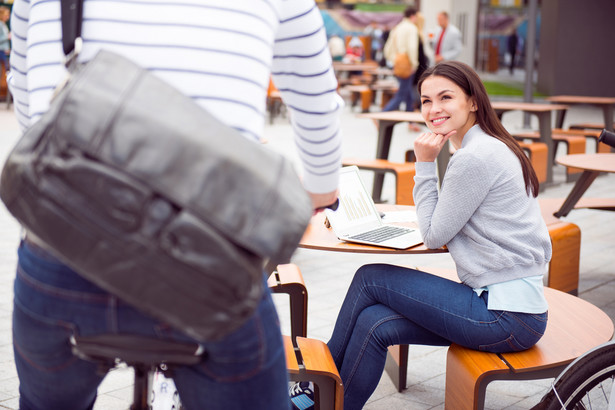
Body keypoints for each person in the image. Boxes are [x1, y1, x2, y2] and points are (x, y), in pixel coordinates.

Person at [8, 1, 343, 409]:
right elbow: (316, 101)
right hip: (208, 266)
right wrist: (323, 188)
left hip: (62, 258)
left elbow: (30, 111)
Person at [319, 61, 552, 409]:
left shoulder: (474, 156)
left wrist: (425, 163)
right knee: (374, 323)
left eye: (446, 97)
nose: (434, 109)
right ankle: (330, 402)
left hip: (504, 316)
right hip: (512, 307)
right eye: (426, 100)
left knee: (369, 278)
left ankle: (314, 390)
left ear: (473, 101)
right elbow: (448, 221)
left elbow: (432, 235)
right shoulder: (488, 145)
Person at [382, 6, 419, 112]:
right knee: (402, 94)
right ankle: (382, 115)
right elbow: (412, 48)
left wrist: (394, 59)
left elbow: (387, 48)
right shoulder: (412, 28)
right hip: (407, 63)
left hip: (398, 63)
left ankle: (411, 121)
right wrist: (414, 64)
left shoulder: (397, 27)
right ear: (413, 16)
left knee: (408, 94)